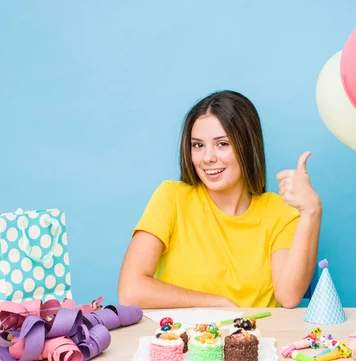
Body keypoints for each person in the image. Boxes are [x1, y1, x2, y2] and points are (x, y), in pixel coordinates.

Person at [117, 90, 322, 309]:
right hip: (181, 340)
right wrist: (217, 303)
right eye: (198, 145)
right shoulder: (171, 198)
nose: (207, 158)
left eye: (222, 144)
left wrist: (312, 211)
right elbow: (131, 291)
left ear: (247, 146)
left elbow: (289, 297)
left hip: (255, 340)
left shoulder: (279, 212)